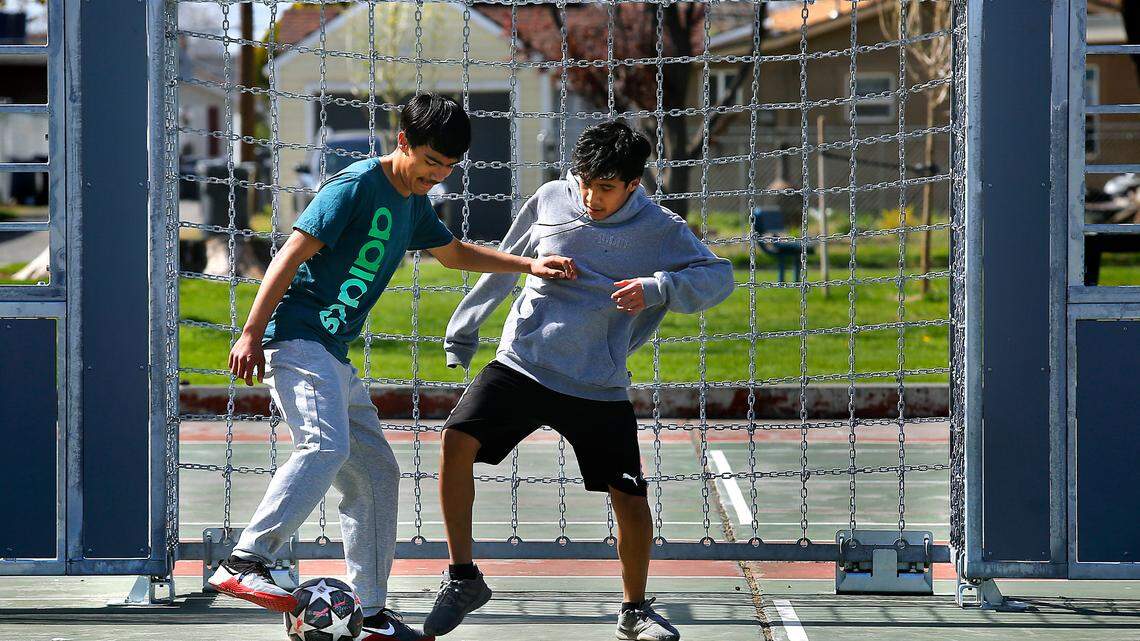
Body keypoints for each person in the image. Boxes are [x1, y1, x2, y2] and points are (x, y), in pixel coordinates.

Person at [207, 93, 576, 641]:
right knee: (325, 447)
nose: (438, 174)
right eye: (430, 161)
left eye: (449, 167)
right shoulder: (354, 187)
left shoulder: (413, 205)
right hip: (296, 340)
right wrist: (252, 331)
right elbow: (288, 255)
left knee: (378, 472)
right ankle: (247, 559)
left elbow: (453, 254)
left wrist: (528, 264)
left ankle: (372, 612)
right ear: (402, 143)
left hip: (333, 353)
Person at [425, 120, 735, 641]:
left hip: (597, 384)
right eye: (584, 181)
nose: (591, 197)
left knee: (629, 499)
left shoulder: (661, 228)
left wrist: (658, 288)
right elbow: (504, 263)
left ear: (634, 184)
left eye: (607, 187)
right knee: (456, 441)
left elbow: (718, 277)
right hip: (522, 362)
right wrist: (464, 329)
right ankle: (462, 578)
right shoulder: (550, 198)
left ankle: (634, 610)